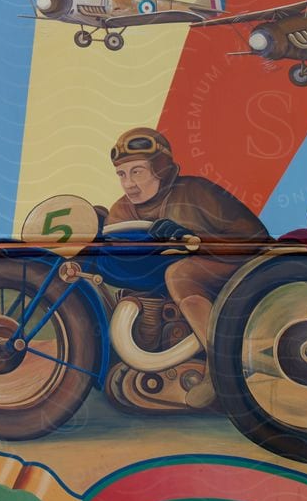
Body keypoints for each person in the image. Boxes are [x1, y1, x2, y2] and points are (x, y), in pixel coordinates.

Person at [102, 127, 270, 407]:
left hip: (235, 271)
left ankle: (221, 370)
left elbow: (256, 238)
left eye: (138, 172)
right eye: (122, 174)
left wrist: (196, 240)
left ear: (161, 169)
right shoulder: (121, 211)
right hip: (166, 290)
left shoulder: (197, 192)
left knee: (180, 272)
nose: (129, 183)